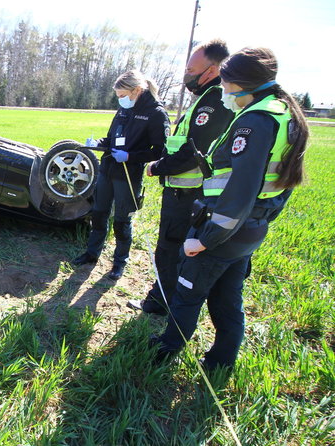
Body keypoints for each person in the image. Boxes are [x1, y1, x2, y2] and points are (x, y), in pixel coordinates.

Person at [151, 47, 309, 371]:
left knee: (188, 290)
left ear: (240, 84)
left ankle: (166, 350)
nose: (222, 92)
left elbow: (241, 190)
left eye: (225, 85)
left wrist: (205, 239)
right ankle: (221, 362)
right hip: (250, 229)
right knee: (226, 299)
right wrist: (259, 221)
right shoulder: (281, 113)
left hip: (226, 229)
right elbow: (279, 183)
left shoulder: (256, 121)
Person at [128, 39, 235, 315]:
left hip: (188, 195)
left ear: (210, 71)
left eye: (190, 69)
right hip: (184, 193)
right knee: (173, 248)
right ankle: (167, 298)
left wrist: (158, 166)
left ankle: (161, 302)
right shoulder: (208, 98)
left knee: (170, 249)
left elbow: (192, 153)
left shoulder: (213, 103)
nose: (186, 75)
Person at [72, 70, 170, 281]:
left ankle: (119, 263)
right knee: (98, 213)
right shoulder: (124, 109)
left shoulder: (156, 113)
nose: (120, 99)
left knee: (122, 220)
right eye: (118, 96)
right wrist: (97, 144)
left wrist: (130, 156)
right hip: (107, 169)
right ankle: (91, 254)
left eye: (122, 94)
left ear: (136, 90)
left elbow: (160, 150)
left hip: (129, 174)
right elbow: (110, 138)